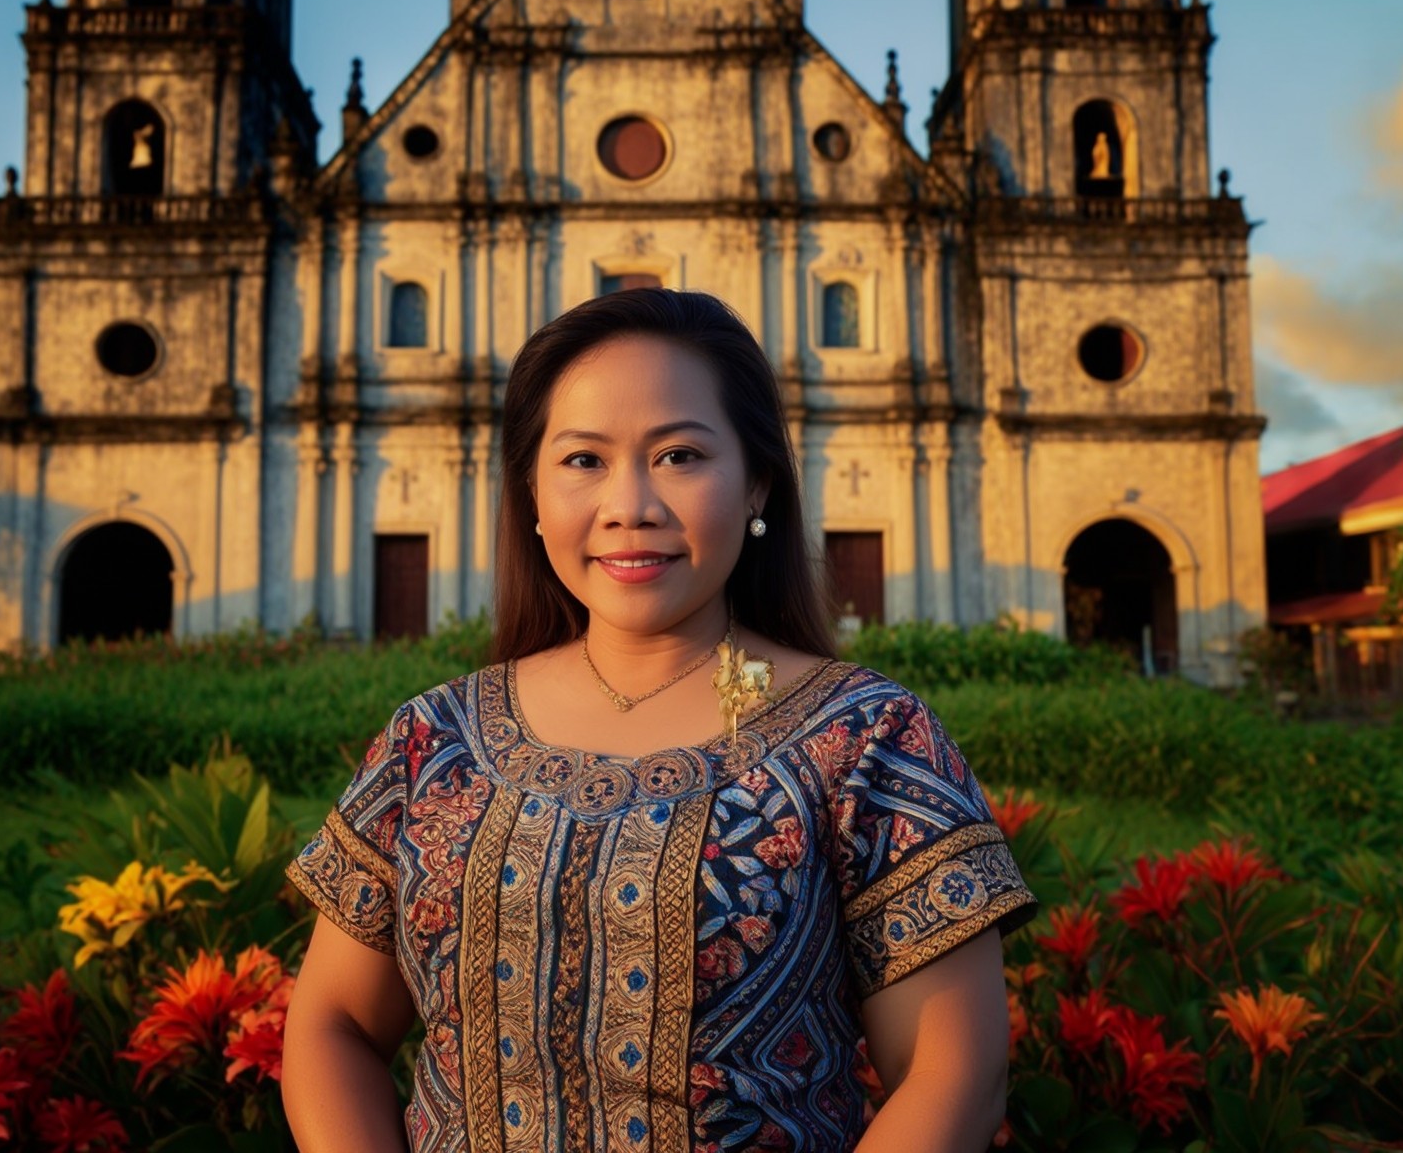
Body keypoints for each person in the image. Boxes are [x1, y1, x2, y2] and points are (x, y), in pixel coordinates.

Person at [280, 289, 1037, 1153]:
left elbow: (954, 1078)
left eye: (678, 455)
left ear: (755, 479)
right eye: (582, 461)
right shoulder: (435, 739)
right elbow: (332, 1023)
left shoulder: (869, 738)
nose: (629, 504)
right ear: (531, 491)